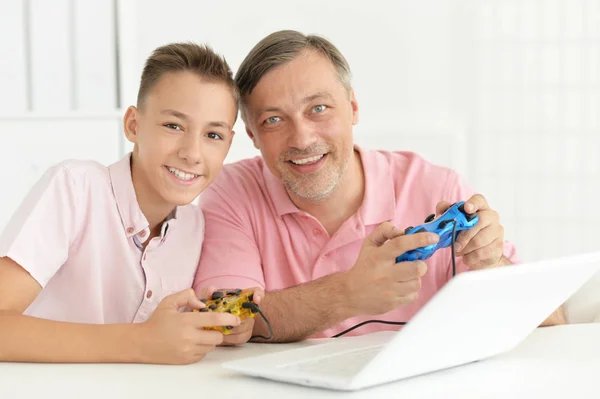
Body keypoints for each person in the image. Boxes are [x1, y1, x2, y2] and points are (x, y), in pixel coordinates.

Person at [193, 30, 567, 343]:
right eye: (274, 119)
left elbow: (554, 328)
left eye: (319, 108)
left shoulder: (436, 186)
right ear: (253, 136)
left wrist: (491, 263)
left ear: (353, 107)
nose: (302, 138)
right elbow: (224, 323)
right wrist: (348, 293)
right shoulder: (230, 192)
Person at [0, 42, 257, 364]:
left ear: (229, 144)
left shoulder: (194, 226)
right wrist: (141, 342)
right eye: (173, 126)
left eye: (213, 135)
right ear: (133, 125)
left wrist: (222, 327)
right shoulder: (75, 188)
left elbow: (167, 337)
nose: (192, 153)